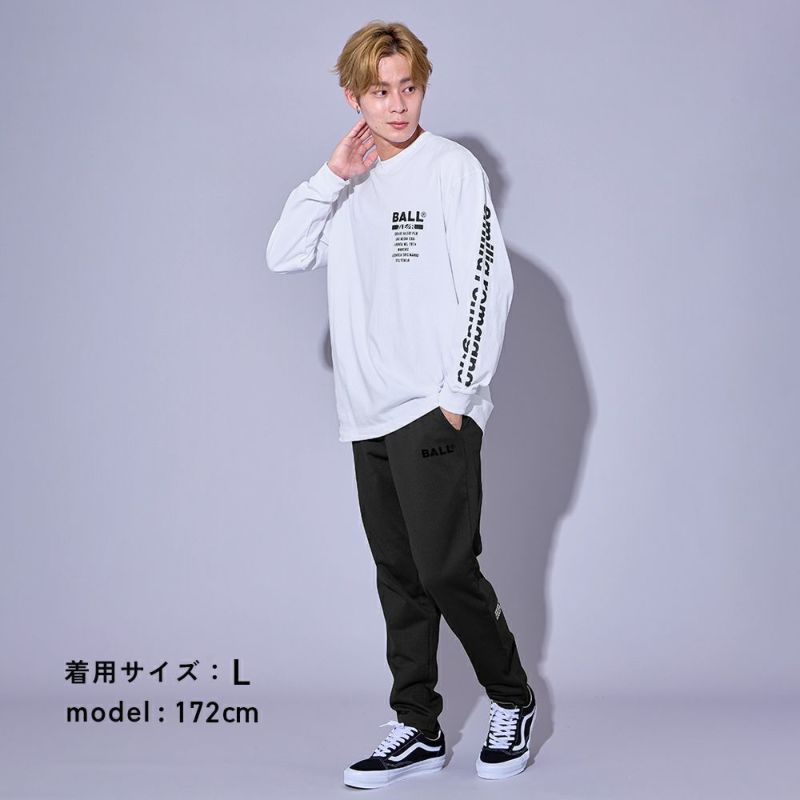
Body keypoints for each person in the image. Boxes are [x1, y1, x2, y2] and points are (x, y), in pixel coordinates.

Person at [265, 19, 536, 788]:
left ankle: (512, 698)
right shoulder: (348, 185)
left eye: (407, 88)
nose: (396, 104)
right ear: (354, 97)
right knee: (400, 576)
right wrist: (331, 175)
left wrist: (458, 395)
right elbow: (283, 254)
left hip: (430, 407)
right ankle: (418, 726)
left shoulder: (451, 168)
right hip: (366, 414)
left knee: (447, 570)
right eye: (380, 91)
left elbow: (488, 280)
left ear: (421, 88)